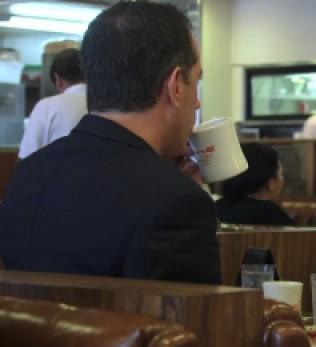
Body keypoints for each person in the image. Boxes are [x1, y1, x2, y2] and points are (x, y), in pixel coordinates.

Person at [0, 2, 220, 284]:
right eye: (195, 83)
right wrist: (172, 186)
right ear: (175, 85)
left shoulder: (28, 176)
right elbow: (188, 326)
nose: (197, 101)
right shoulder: (178, 204)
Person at [18, 48, 87, 159]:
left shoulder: (46, 106)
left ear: (58, 79)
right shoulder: (107, 106)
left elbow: (26, 157)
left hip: (56, 175)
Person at [217, 142, 293, 226]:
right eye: (281, 174)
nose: (282, 179)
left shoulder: (214, 209)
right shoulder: (272, 214)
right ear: (271, 184)